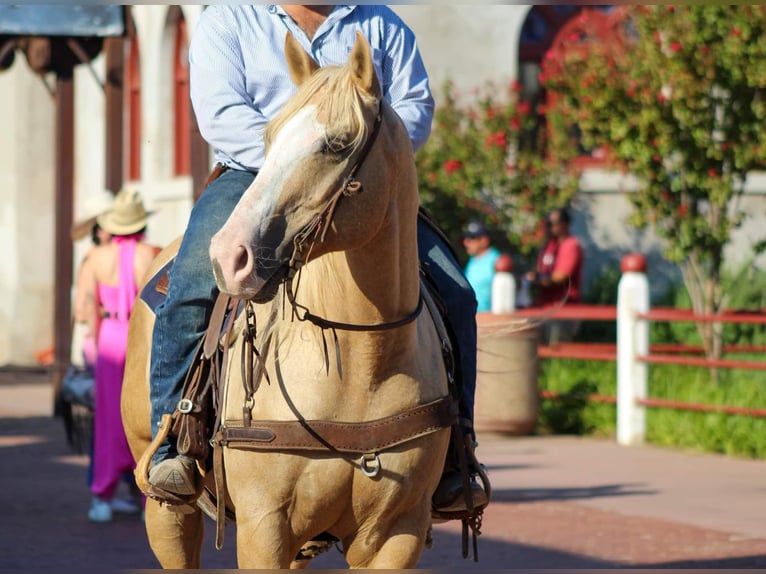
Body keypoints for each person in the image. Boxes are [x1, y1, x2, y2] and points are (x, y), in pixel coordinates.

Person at [147, 5, 487, 514]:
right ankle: (173, 438)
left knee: (455, 291)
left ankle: (457, 452)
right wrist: (301, 153)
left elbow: (414, 106)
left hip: (360, 180)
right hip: (255, 177)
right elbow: (220, 114)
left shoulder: (381, 24)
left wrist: (360, 149)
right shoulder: (230, 19)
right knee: (195, 278)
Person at [80, 189, 160, 522]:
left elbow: (86, 310)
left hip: (111, 338)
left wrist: (97, 343)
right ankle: (147, 498)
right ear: (141, 223)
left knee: (108, 418)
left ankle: (102, 496)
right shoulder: (153, 253)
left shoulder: (95, 258)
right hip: (144, 336)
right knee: (146, 414)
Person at [524, 207, 584, 343]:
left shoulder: (571, 245)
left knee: (557, 349)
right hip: (543, 308)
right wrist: (532, 277)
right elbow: (539, 271)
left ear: (564, 224)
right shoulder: (549, 245)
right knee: (537, 350)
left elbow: (560, 276)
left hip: (564, 310)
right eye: (548, 224)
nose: (549, 228)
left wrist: (539, 279)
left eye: (552, 224)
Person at [462, 221, 501, 313]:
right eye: (466, 237)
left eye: (472, 238)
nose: (466, 242)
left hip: (492, 318)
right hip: (473, 317)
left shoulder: (498, 261)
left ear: (484, 240)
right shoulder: (472, 259)